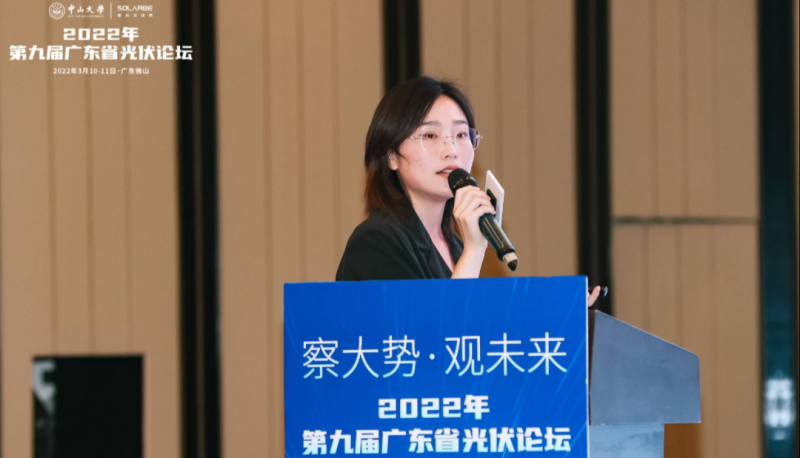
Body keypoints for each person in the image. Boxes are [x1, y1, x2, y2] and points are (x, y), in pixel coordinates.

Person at [335, 76, 602, 305]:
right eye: (430, 135)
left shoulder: (455, 244)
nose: (451, 150)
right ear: (391, 156)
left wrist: (557, 311)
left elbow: (482, 333)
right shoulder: (375, 241)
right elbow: (435, 338)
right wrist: (475, 250)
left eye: (461, 135)